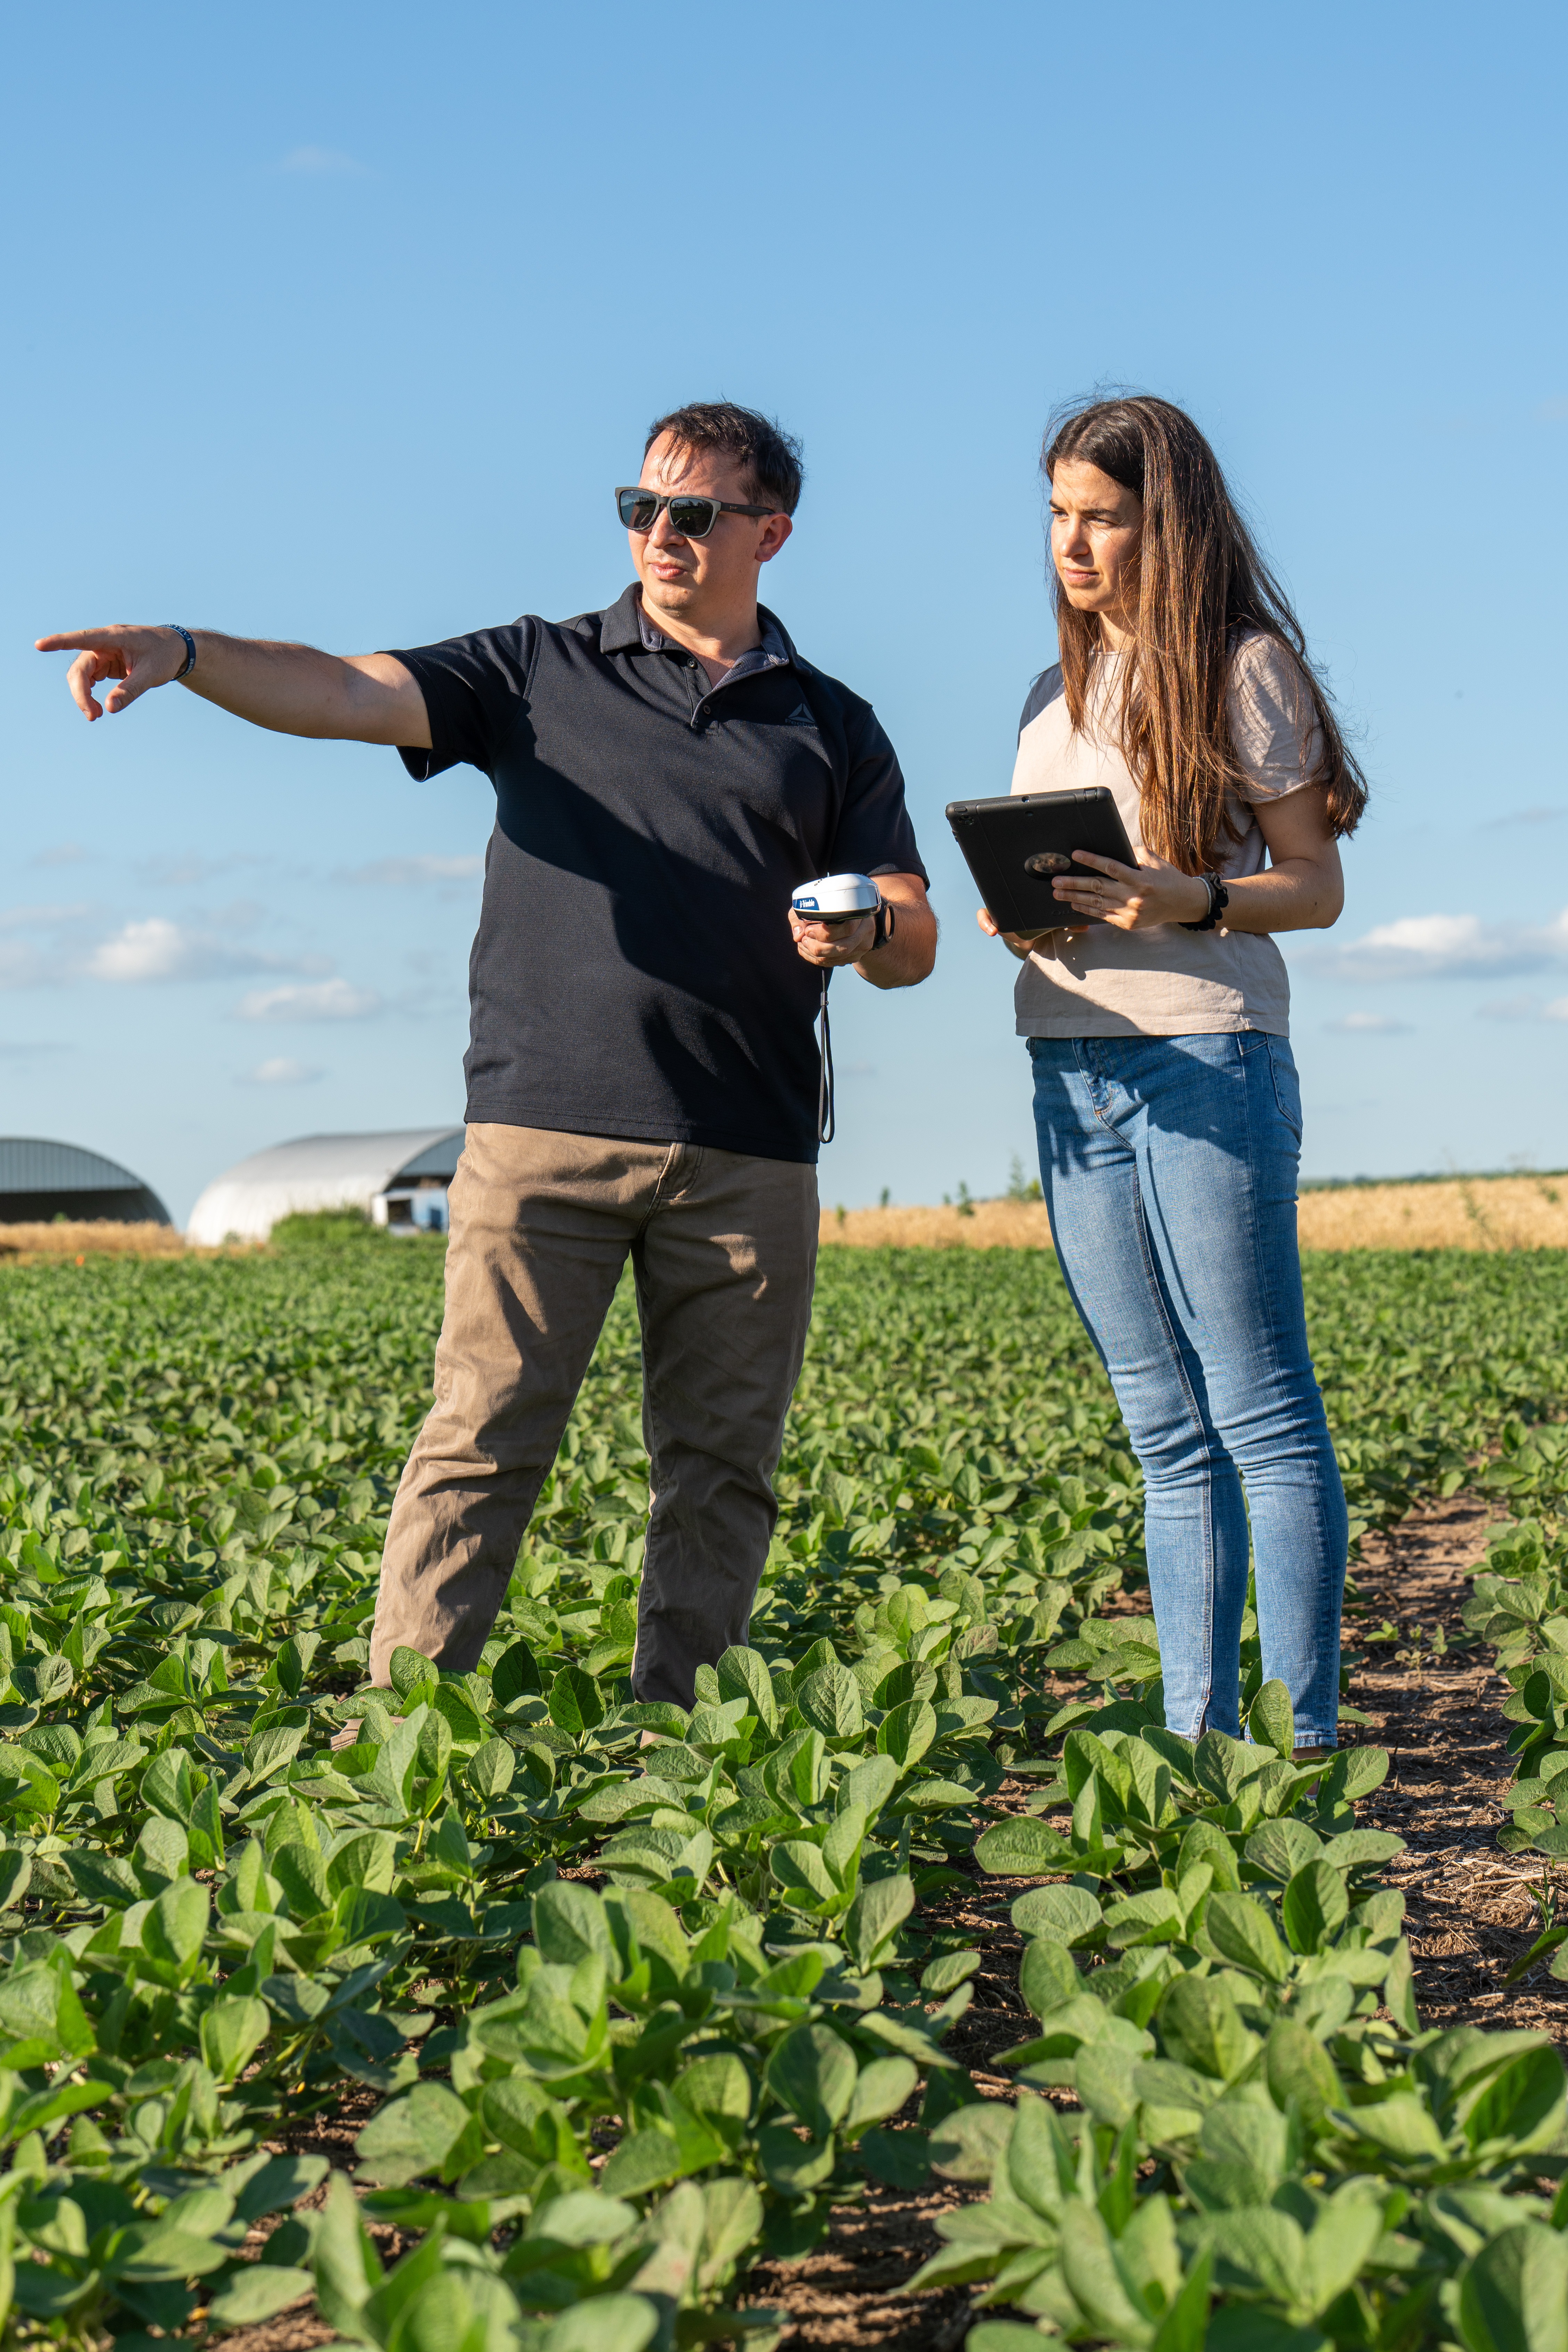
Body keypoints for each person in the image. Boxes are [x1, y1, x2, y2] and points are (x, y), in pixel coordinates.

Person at [39, 401, 937, 1708]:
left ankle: (683, 1748)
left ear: (771, 532)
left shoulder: (831, 722)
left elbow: (910, 931)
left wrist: (867, 928)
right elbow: (346, 689)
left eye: (693, 514)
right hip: (544, 1133)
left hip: (749, 1146)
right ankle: (407, 1743)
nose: (662, 535)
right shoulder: (537, 668)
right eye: (642, 510)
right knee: (479, 1443)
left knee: (722, 1466)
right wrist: (183, 652)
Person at [979, 394, 1365, 1758]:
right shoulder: (1051, 692)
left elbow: (1312, 887)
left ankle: (1301, 1748)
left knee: (1256, 1402)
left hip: (1206, 1052)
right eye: (1056, 516)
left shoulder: (1241, 666)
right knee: (1159, 1421)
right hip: (1068, 1059)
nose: (1070, 545)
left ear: (1168, 523)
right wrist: (1022, 911)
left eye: (1099, 517)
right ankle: (1199, 1746)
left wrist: (1179, 898)